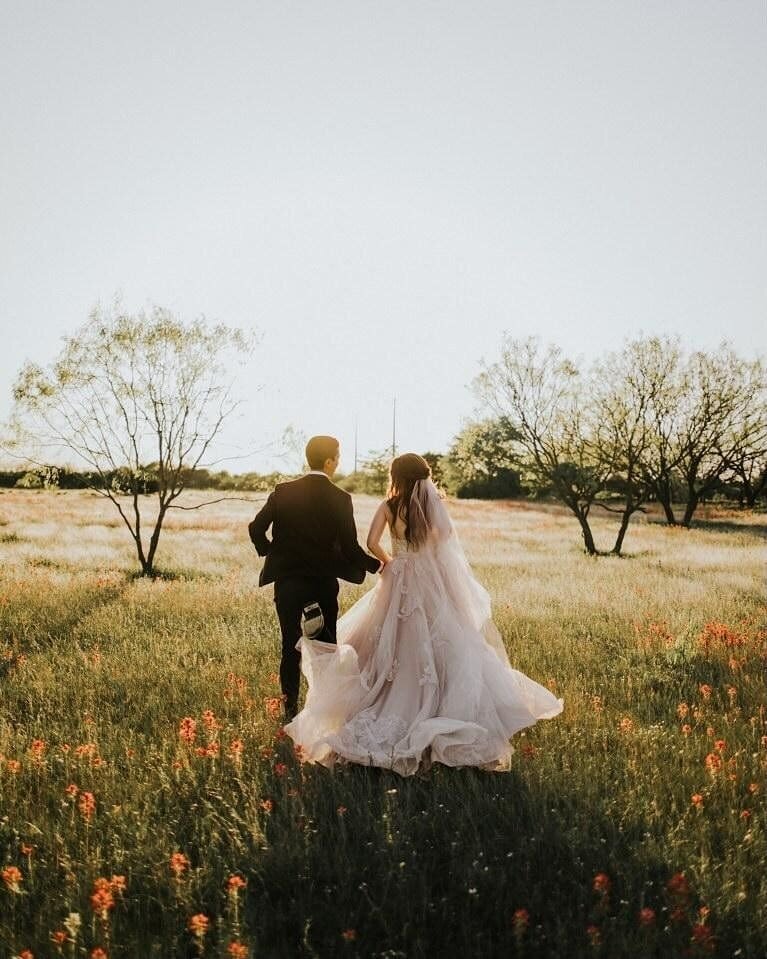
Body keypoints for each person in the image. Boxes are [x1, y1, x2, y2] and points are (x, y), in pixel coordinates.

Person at [285, 453, 563, 775]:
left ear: (397, 476)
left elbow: (370, 541)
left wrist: (391, 561)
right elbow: (443, 544)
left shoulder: (389, 506)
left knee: (385, 637)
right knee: (443, 638)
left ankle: (380, 699)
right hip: (430, 578)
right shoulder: (433, 508)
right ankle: (438, 701)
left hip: (398, 575)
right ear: (424, 478)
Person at [248, 435, 381, 719]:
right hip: (322, 584)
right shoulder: (340, 498)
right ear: (330, 461)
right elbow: (350, 548)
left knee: (289, 647)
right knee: (325, 650)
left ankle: (290, 713)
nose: (339, 461)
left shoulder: (283, 491)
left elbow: (256, 528)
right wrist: (378, 566)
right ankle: (326, 712)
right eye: (339, 456)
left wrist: (274, 553)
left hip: (289, 582)